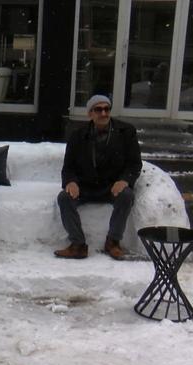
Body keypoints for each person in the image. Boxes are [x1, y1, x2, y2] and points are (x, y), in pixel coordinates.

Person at [55, 94, 142, 260]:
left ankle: (113, 241)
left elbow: (134, 164)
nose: (103, 113)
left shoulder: (126, 132)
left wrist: (124, 180)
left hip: (112, 186)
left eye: (106, 109)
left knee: (127, 195)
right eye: (98, 110)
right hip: (86, 186)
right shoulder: (77, 135)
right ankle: (78, 245)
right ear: (90, 113)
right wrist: (71, 182)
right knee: (64, 198)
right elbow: (68, 167)